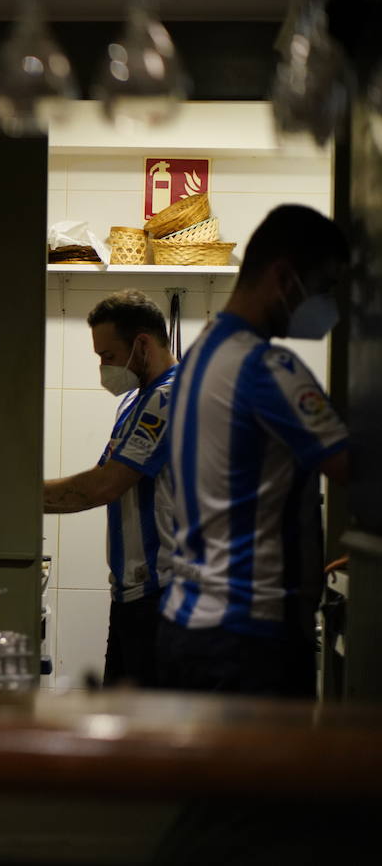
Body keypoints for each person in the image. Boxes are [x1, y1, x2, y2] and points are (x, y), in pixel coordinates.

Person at [159, 205, 350, 698]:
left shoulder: (199, 356)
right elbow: (352, 467)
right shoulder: (266, 367)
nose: (333, 305)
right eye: (326, 287)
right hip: (248, 635)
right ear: (285, 278)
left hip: (190, 623)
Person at [43, 291, 178, 688]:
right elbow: (105, 475)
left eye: (107, 356)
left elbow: (103, 487)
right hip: (131, 597)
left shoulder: (170, 398)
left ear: (141, 344)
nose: (103, 368)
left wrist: (18, 497)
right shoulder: (136, 402)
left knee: (149, 736)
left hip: (162, 598)